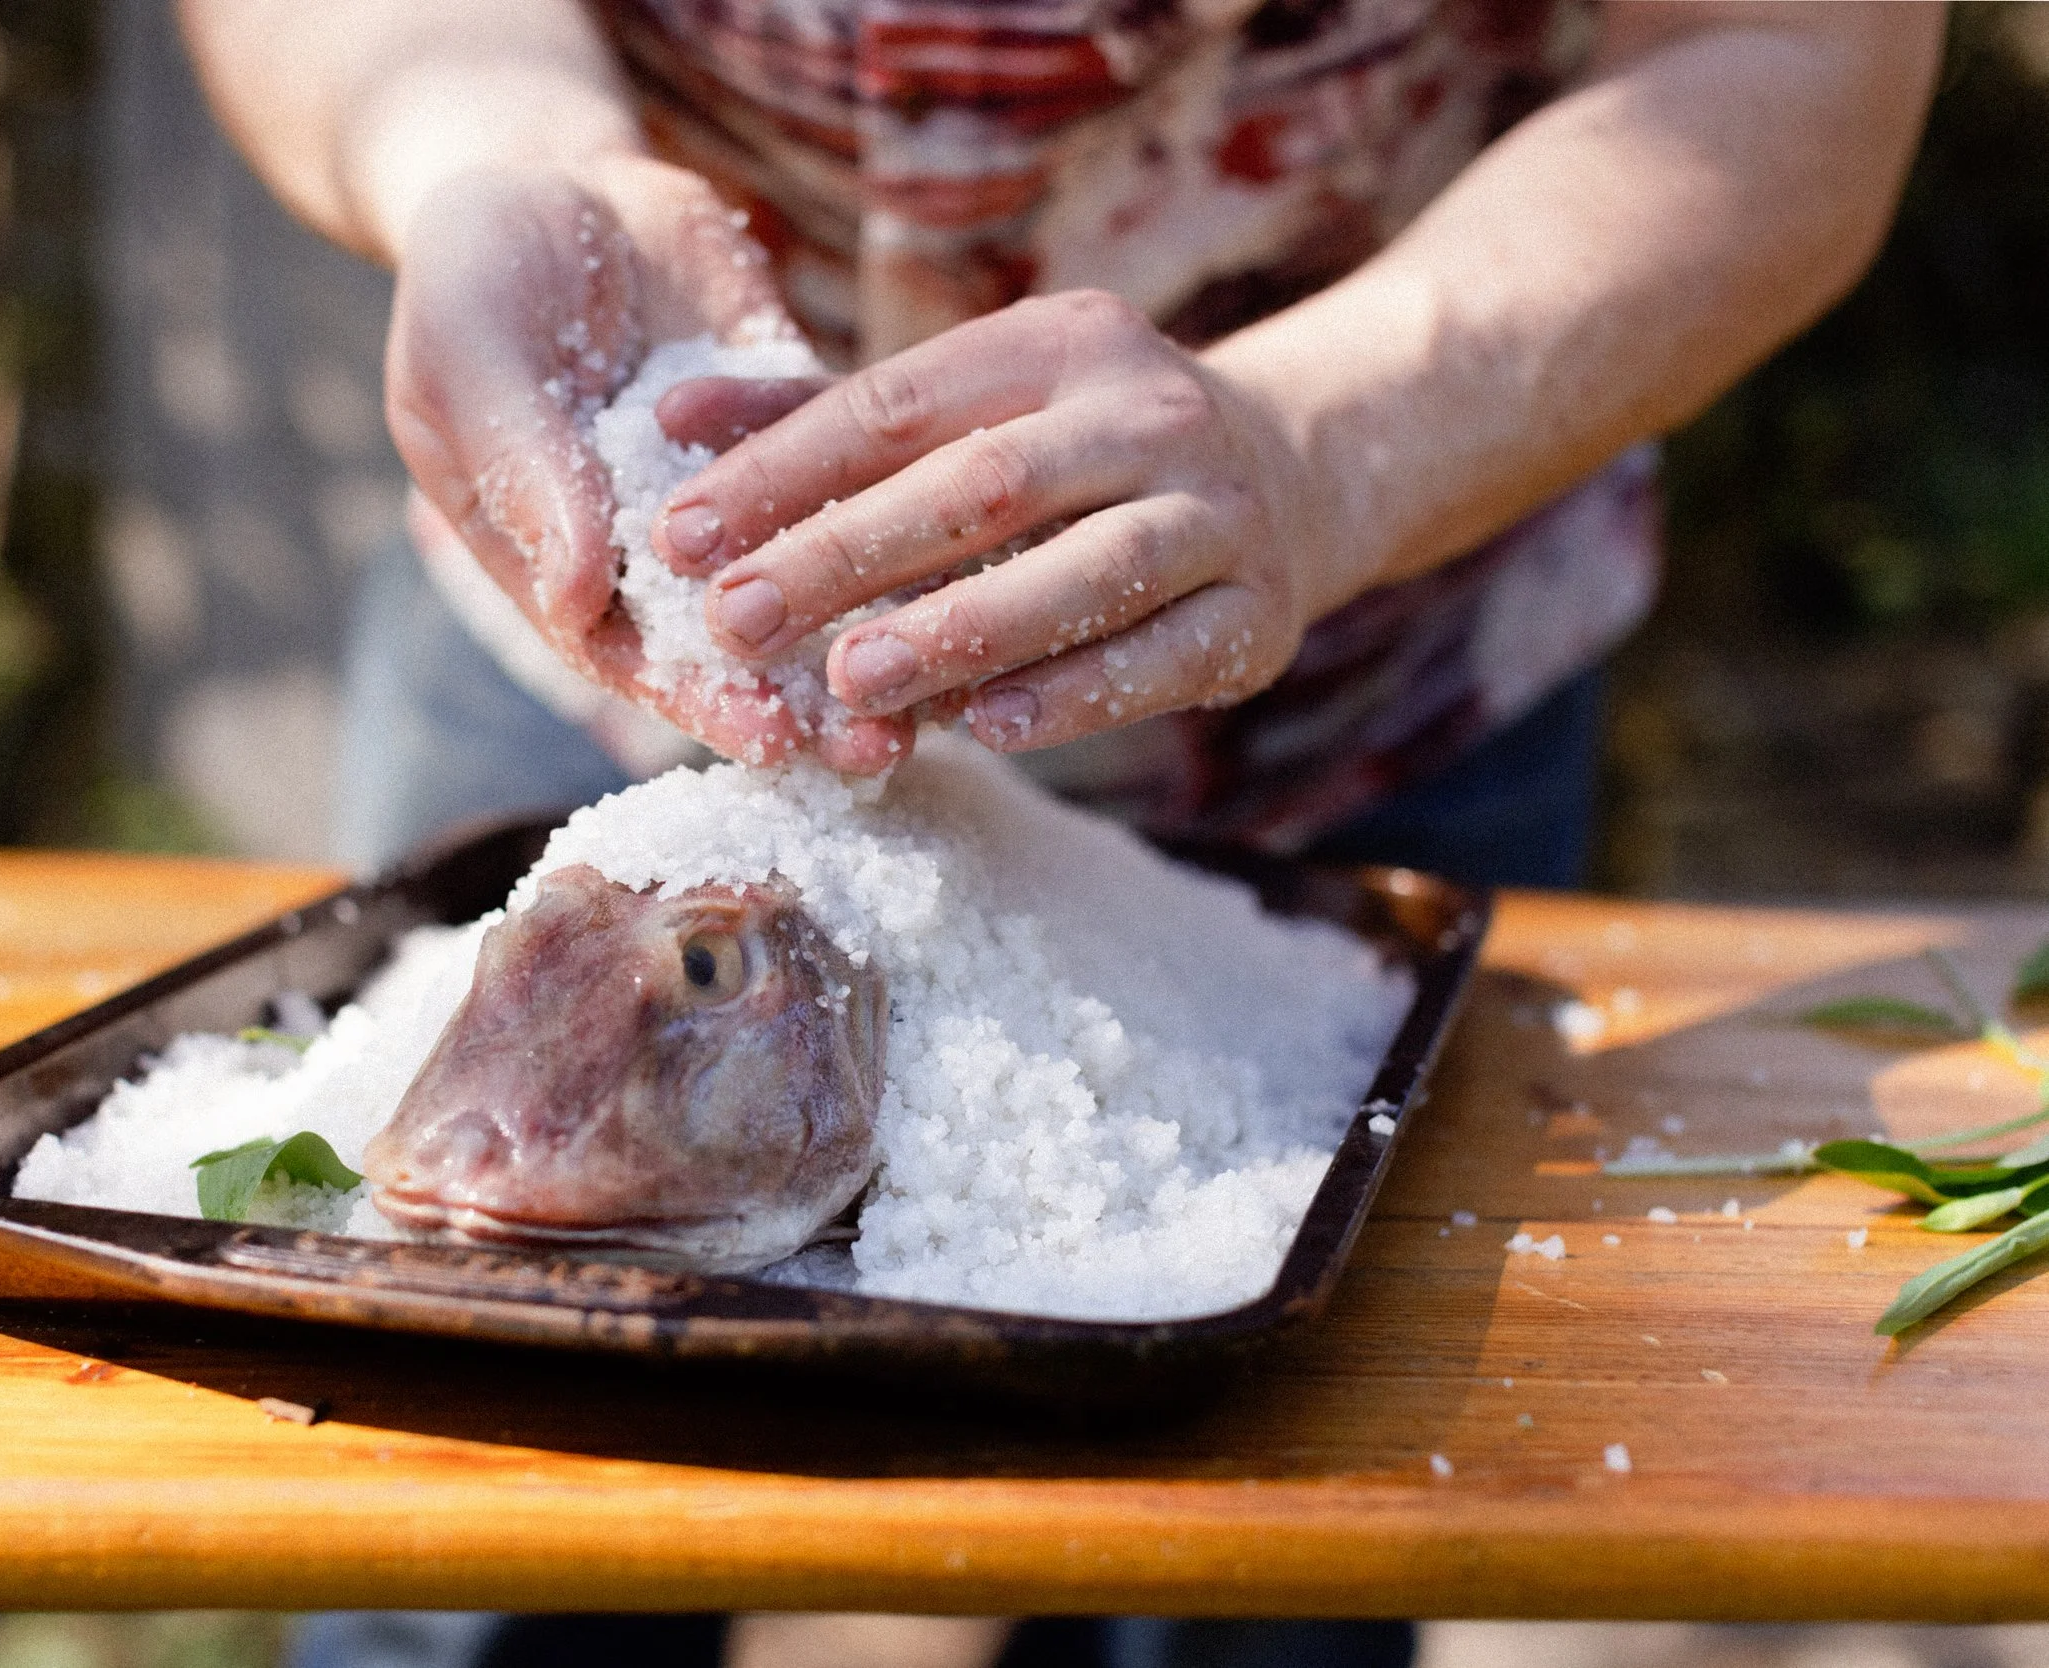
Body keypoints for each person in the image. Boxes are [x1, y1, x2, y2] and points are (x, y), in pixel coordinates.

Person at [180, 1, 1940, 1664]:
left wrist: (1321, 443)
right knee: (458, 1566)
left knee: (1248, 1582)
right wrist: (479, 137)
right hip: (586, 654)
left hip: (1367, 686)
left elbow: (1781, 46)